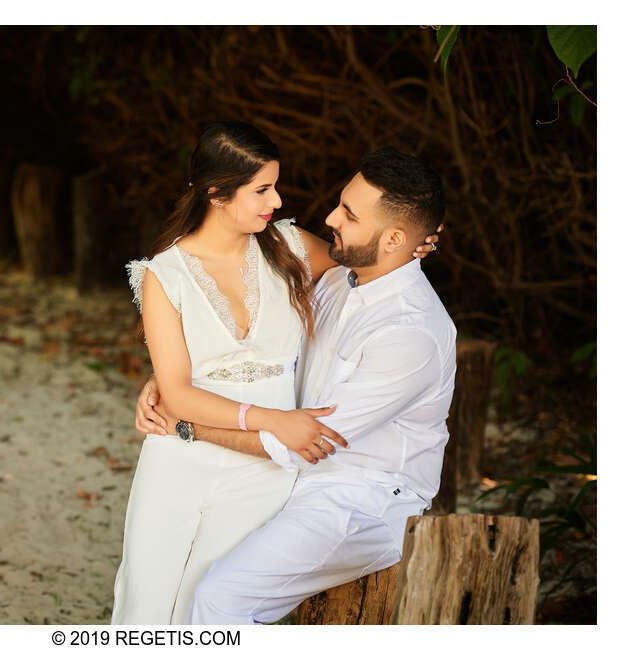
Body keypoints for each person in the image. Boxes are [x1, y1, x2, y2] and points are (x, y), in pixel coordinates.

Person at [112, 123, 439, 624]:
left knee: (211, 592)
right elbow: (193, 377)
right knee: (148, 593)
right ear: (218, 193)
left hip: (287, 473)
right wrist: (171, 379)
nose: (280, 200)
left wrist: (411, 242)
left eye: (274, 185)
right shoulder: (170, 274)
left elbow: (369, 264)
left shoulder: (293, 250)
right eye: (263, 189)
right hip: (201, 459)